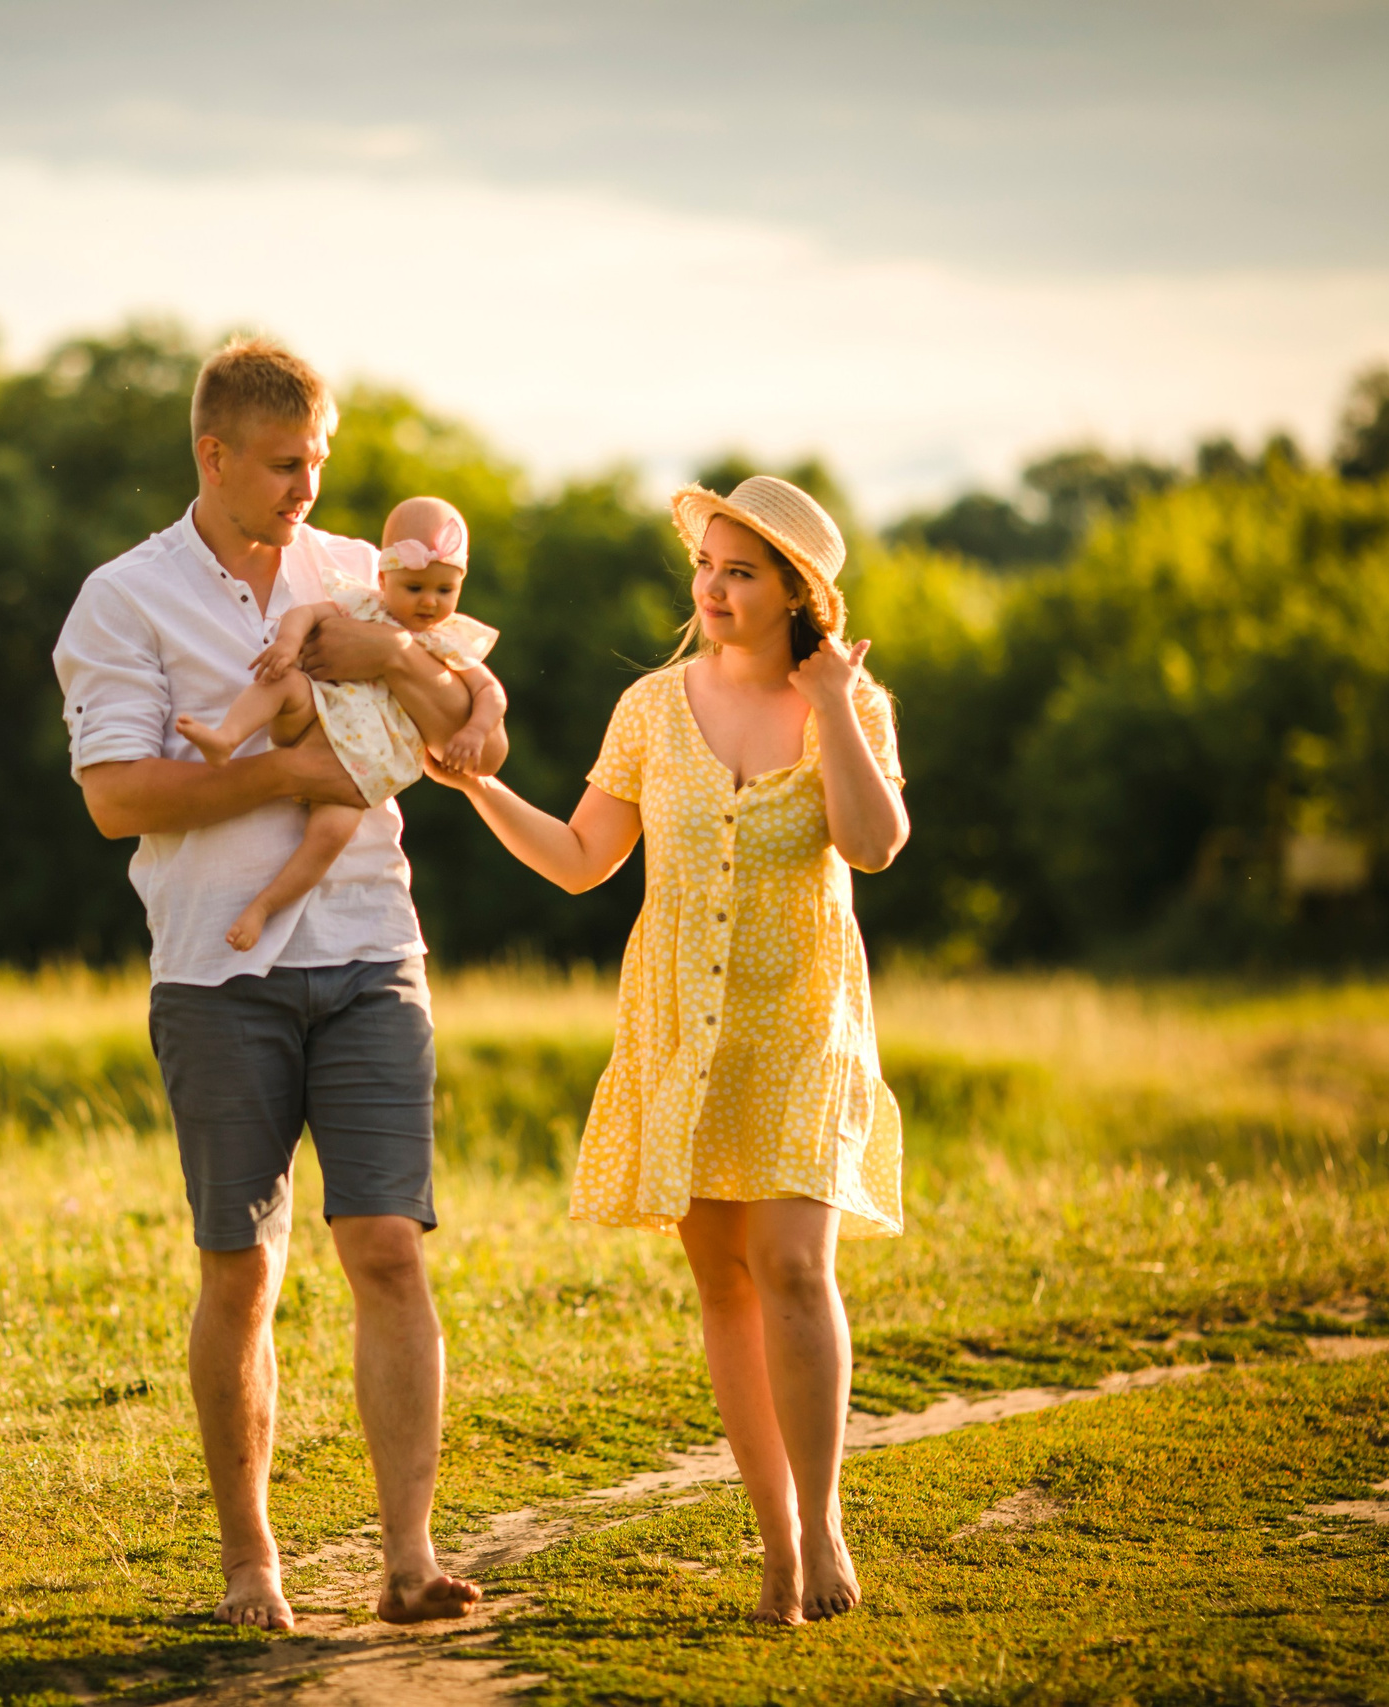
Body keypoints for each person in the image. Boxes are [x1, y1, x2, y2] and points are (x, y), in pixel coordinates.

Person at [51, 336, 504, 1630]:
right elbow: (116, 794)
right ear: (214, 455)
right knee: (240, 1269)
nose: (310, 486)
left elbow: (476, 719)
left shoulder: (360, 572)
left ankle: (410, 1557)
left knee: (388, 1252)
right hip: (215, 971)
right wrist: (292, 778)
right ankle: (254, 1565)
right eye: (285, 463)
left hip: (371, 952)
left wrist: (411, 673)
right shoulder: (123, 600)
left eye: (321, 460)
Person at [422, 473, 908, 1625]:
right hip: (679, 1031)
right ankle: (775, 1541)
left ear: (797, 593)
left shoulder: (854, 701)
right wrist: (480, 786)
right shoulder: (649, 706)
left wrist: (835, 703)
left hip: (802, 1025)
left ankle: (824, 1519)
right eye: (708, 567)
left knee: (795, 1265)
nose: (715, 588)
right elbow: (585, 857)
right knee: (726, 1284)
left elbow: (874, 845)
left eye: (741, 572)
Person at [177, 494, 507, 951]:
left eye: (444, 590)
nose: (430, 602)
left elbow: (491, 692)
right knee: (282, 682)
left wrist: (473, 730)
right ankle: (225, 736)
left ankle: (264, 907)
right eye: (414, 588)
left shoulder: (447, 642)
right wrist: (288, 646)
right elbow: (305, 612)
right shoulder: (363, 606)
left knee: (328, 838)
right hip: (317, 712)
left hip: (361, 765)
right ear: (383, 577)